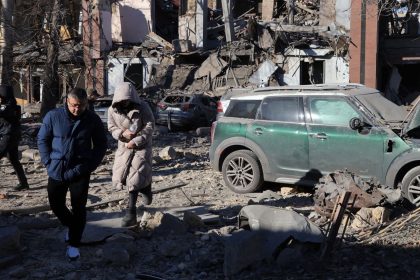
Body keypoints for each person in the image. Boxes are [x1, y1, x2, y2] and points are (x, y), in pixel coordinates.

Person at [37, 88, 107, 261]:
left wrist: (90, 166)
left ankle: (74, 244)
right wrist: (47, 162)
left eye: (82, 105)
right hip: (56, 168)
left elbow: (101, 144)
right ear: (67, 102)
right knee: (56, 204)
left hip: (80, 169)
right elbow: (42, 139)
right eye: (74, 105)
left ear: (86, 104)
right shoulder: (53, 116)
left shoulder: (92, 119)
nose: (77, 109)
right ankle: (72, 226)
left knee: (79, 208)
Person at [108, 82, 154, 227]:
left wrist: (137, 139)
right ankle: (145, 187)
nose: (125, 102)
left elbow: (150, 125)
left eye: (127, 99)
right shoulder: (112, 110)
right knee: (123, 176)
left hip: (141, 147)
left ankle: (131, 213)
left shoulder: (143, 107)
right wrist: (121, 134)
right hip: (124, 147)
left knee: (133, 180)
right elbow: (111, 127)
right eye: (122, 100)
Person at [0, 85, 29, 191]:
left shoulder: (8, 106)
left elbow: (2, 113)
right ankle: (23, 183)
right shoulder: (14, 105)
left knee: (13, 160)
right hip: (13, 135)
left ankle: (23, 183)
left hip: (8, 135)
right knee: (14, 160)